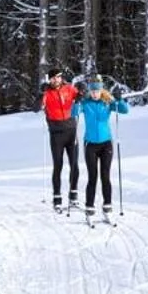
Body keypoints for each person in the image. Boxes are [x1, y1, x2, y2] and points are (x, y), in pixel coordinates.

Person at [76, 78, 130, 218]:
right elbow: (73, 112)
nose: (95, 94)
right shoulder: (86, 103)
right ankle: (89, 206)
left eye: (97, 91)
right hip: (90, 145)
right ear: (90, 91)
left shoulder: (107, 103)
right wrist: (77, 100)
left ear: (101, 91)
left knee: (105, 176)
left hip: (106, 144)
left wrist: (120, 99)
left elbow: (124, 110)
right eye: (93, 91)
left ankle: (107, 206)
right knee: (92, 177)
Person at [41, 69, 81, 210]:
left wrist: (82, 90)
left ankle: (73, 196)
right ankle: (57, 198)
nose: (56, 80)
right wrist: (40, 94)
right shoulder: (46, 93)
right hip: (56, 133)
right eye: (53, 78)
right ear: (49, 80)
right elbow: (36, 107)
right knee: (58, 166)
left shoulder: (69, 89)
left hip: (71, 131)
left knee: (74, 165)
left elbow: (82, 96)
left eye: (58, 77)